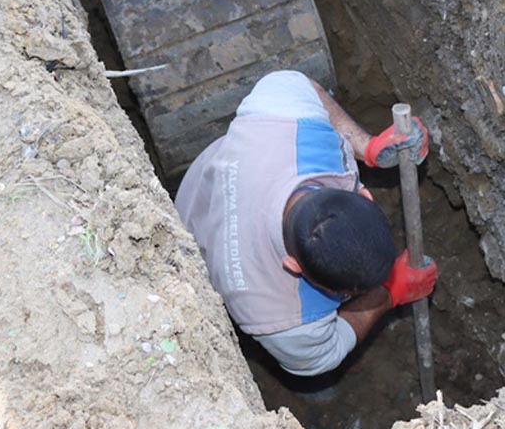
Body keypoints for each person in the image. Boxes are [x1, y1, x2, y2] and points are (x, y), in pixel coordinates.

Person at [174, 70, 438, 376]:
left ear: (365, 196)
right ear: (293, 266)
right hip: (189, 252)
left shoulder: (284, 116)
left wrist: (366, 147)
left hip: (199, 193)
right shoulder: (281, 320)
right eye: (346, 294)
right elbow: (323, 355)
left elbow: (305, 87)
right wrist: (388, 293)